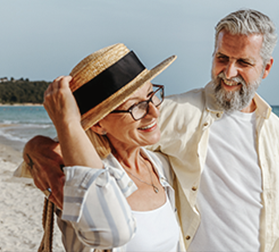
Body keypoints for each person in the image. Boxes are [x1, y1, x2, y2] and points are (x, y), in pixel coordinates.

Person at [21, 9, 279, 251]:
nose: (229, 71)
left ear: (266, 67)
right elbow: (80, 143)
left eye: (243, 63)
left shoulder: (275, 129)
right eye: (222, 57)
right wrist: (37, 147)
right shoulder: (181, 111)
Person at [26, 43, 182, 251]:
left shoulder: (159, 165)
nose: (153, 112)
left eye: (152, 94)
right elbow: (113, 233)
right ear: (99, 124)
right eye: (136, 106)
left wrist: (33, 145)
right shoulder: (75, 182)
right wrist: (68, 123)